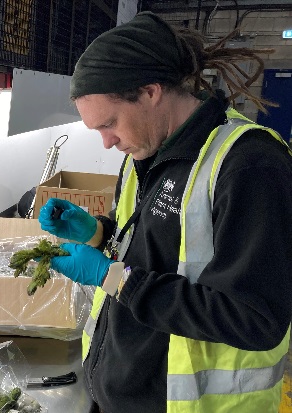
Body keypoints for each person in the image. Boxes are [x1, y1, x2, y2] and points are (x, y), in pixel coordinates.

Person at [37, 11, 292, 413]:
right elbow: (154, 248)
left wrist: (111, 277)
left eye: (110, 123)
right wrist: (99, 234)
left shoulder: (249, 164)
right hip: (120, 392)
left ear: (151, 92)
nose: (106, 143)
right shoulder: (146, 152)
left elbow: (255, 318)